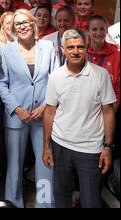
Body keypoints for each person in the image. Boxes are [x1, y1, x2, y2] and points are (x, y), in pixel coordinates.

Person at [42, 29, 116, 208]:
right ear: (63, 49)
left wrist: (107, 147)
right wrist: (46, 147)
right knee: (61, 196)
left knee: (90, 200)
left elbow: (108, 112)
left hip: (91, 149)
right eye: (71, 47)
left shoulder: (101, 75)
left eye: (80, 47)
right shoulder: (56, 77)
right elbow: (49, 112)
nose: (75, 51)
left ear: (86, 48)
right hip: (60, 145)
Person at [0, 9, 58, 208]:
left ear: (33, 24)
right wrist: (16, 109)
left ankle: (45, 204)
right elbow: (1, 84)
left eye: (25, 22)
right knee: (14, 166)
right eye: (17, 24)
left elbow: (56, 80)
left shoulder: (48, 47)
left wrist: (45, 106)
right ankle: (13, 203)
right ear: (13, 29)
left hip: (43, 116)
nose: (21, 26)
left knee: (45, 164)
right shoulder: (6, 50)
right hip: (17, 117)